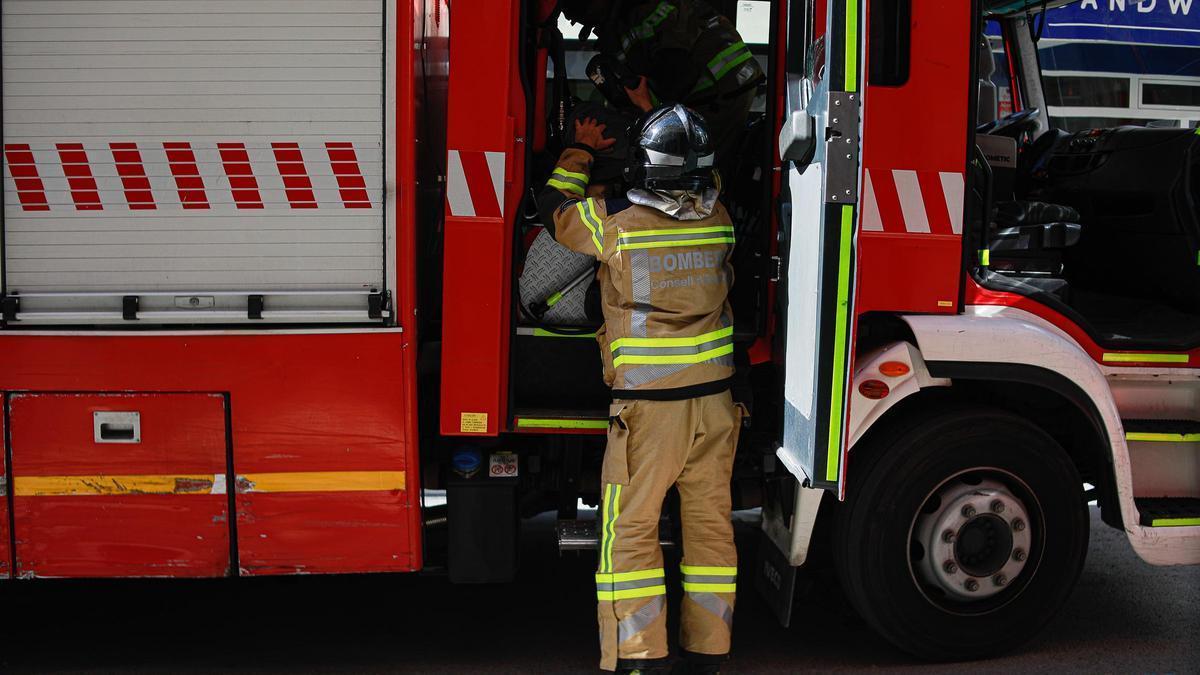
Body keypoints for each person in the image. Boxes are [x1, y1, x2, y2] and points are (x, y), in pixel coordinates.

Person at [537, 105, 741, 675]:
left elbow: (553, 209)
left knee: (629, 535)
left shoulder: (613, 225)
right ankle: (709, 651)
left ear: (644, 169)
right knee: (709, 531)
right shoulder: (720, 216)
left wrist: (580, 152)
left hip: (651, 414)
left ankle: (641, 655)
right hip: (717, 405)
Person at [560, 0, 764, 178]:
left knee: (690, 166)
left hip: (722, 91)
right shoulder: (625, 20)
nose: (577, 19)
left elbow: (677, 74)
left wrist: (646, 107)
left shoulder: (648, 12)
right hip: (719, 89)